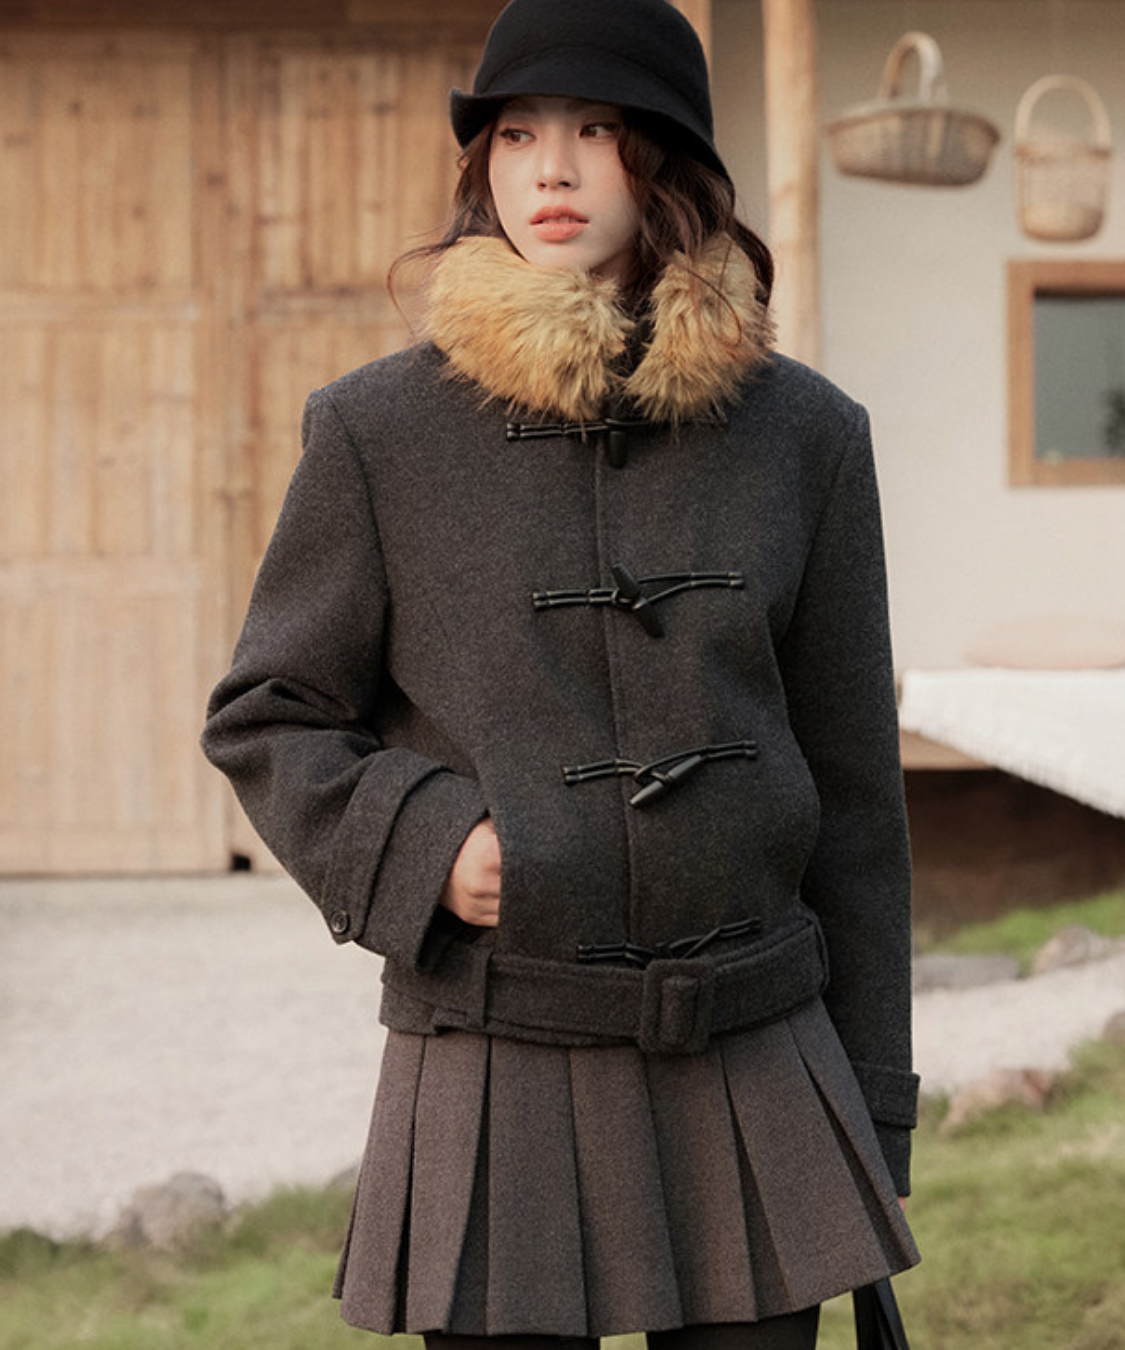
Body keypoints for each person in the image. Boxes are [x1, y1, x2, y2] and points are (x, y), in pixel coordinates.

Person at [201, 1, 920, 1347]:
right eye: (518, 133)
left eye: (597, 129)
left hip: (756, 1056)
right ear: (482, 164)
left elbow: (858, 802)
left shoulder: (809, 437)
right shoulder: (377, 432)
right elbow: (270, 716)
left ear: (669, 158)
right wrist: (425, 846)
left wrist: (876, 1105)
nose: (553, 168)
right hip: (496, 1057)